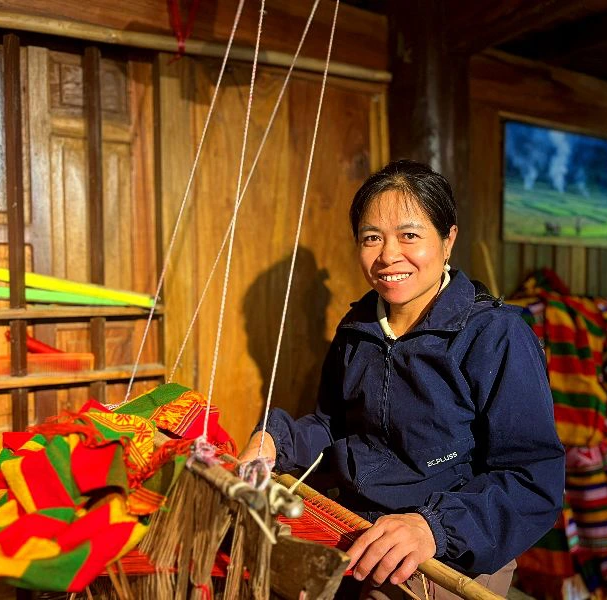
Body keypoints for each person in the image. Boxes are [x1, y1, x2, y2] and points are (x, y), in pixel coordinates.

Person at [239, 159, 565, 598]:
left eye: (409, 235)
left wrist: (432, 527)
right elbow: (334, 425)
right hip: (356, 531)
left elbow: (532, 478)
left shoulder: (496, 335)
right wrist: (277, 441)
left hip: (444, 553)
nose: (389, 256)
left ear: (448, 240)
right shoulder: (359, 329)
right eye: (372, 238)